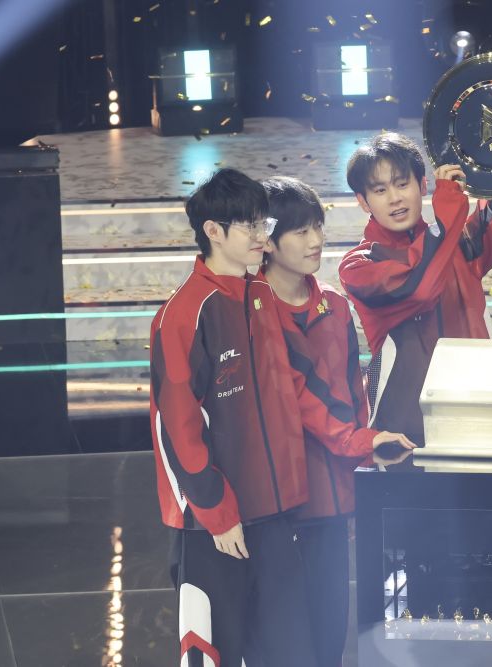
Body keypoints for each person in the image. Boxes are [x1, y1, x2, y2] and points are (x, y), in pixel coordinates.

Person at [338, 67, 492, 445]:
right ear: (363, 202)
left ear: (422, 184)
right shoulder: (359, 265)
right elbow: (419, 289)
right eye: (379, 191)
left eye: (402, 184)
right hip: (403, 431)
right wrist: (448, 210)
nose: (394, 198)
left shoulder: (460, 239)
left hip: (481, 411)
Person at [150, 168, 317, 665]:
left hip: (272, 514)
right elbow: (176, 428)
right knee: (213, 651)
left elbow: (281, 399)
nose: (263, 236)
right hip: (213, 524)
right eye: (250, 225)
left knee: (288, 652)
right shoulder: (184, 314)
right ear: (213, 231)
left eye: (264, 223)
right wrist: (218, 514)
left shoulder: (259, 295)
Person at [259, 175, 415, 666]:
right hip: (277, 499)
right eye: (301, 231)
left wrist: (357, 470)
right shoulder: (251, 310)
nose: (316, 241)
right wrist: (357, 442)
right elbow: (296, 396)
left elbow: (353, 392)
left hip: (331, 494)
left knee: (330, 632)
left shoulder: (336, 305)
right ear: (268, 241)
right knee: (283, 640)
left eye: (318, 227)